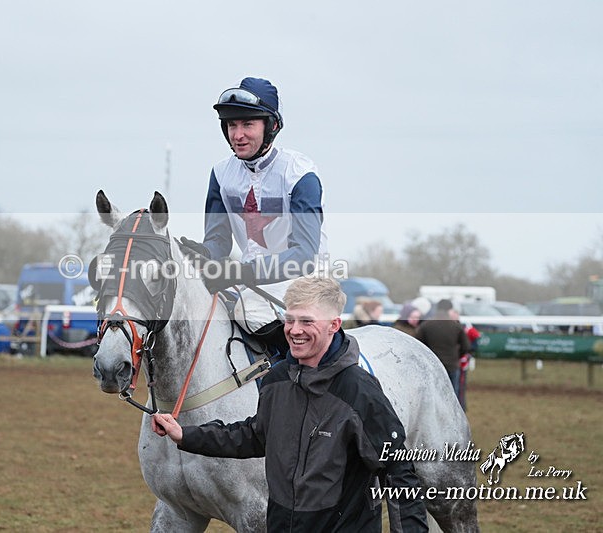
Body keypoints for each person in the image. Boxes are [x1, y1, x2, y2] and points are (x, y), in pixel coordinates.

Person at [151, 276, 428, 531]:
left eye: (307, 321)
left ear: (334, 325)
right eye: (290, 320)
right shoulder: (278, 378)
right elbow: (255, 435)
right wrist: (185, 434)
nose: (295, 331)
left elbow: (398, 473)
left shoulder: (359, 390)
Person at [178, 77, 328, 355]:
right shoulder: (221, 174)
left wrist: (239, 272)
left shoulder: (299, 173)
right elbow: (218, 242)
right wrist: (202, 254)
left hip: (307, 283)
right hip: (250, 283)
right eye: (232, 125)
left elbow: (304, 256)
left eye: (248, 124)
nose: (238, 135)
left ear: (271, 126)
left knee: (249, 312)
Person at [415, 299, 470, 400]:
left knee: (434, 398)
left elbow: (418, 345)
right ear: (449, 310)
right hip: (452, 366)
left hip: (432, 367)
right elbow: (466, 347)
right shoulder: (456, 326)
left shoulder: (426, 326)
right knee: (452, 398)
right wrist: (456, 356)